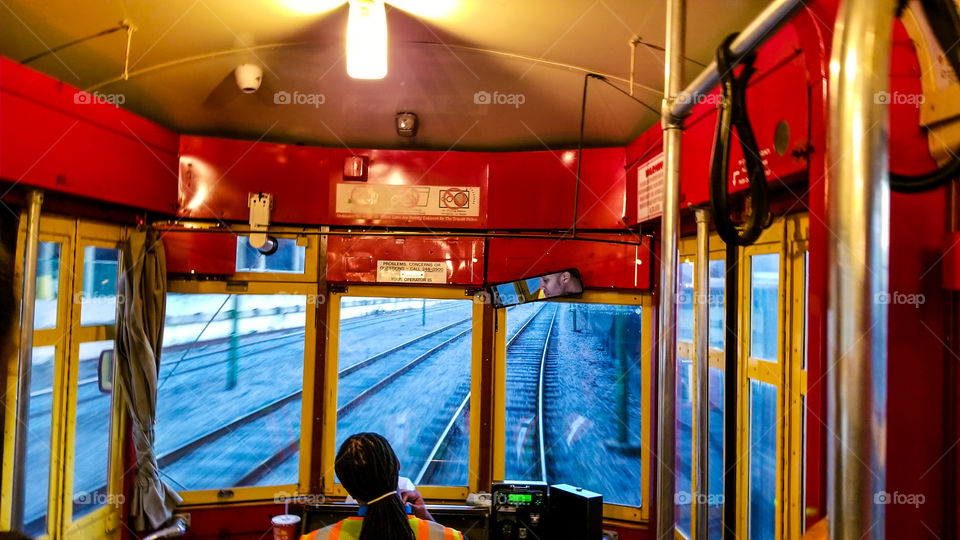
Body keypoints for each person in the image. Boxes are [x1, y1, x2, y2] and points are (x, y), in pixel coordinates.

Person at [302, 433, 465, 540]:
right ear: (398, 465)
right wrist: (427, 518)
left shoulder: (315, 538)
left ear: (348, 489)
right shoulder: (449, 537)